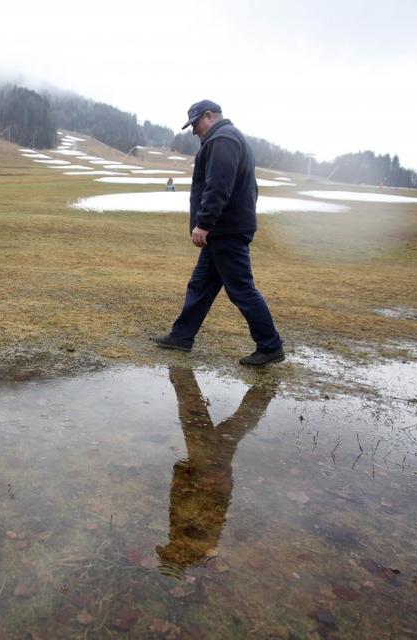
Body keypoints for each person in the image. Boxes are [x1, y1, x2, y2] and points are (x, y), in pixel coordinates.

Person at [150, 99, 284, 366]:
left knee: (241, 289)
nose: (194, 131)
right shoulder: (229, 138)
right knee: (200, 286)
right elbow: (248, 189)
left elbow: (218, 186)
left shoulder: (223, 139)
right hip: (224, 230)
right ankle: (181, 336)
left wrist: (204, 223)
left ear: (209, 116)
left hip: (225, 231)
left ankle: (270, 345)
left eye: (196, 123)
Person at [156, 367, 275, 569]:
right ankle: (264, 388)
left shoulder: (185, 538)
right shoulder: (195, 542)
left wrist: (182, 478)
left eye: (169, 550)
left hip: (205, 477)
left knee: (218, 429)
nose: (170, 547)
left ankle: (263, 391)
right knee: (198, 423)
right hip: (207, 478)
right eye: (171, 552)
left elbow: (183, 506)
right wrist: (187, 478)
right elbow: (204, 510)